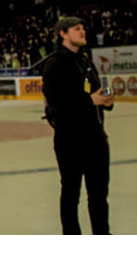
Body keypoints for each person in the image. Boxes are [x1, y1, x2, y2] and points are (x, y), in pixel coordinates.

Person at [41, 16, 114, 234]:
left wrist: (105, 101)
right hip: (70, 141)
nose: (83, 32)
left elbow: (94, 93)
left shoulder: (86, 61)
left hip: (96, 139)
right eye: (77, 29)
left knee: (99, 195)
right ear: (63, 34)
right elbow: (56, 103)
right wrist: (90, 100)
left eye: (83, 28)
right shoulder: (55, 64)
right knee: (71, 194)